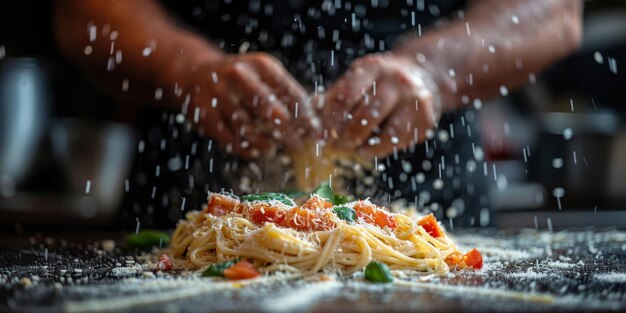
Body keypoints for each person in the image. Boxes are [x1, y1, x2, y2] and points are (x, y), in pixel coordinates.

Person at [53, 0, 582, 227]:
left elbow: (555, 11)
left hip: (434, 220)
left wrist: (434, 71)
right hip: (182, 219)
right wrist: (187, 68)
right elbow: (83, 13)